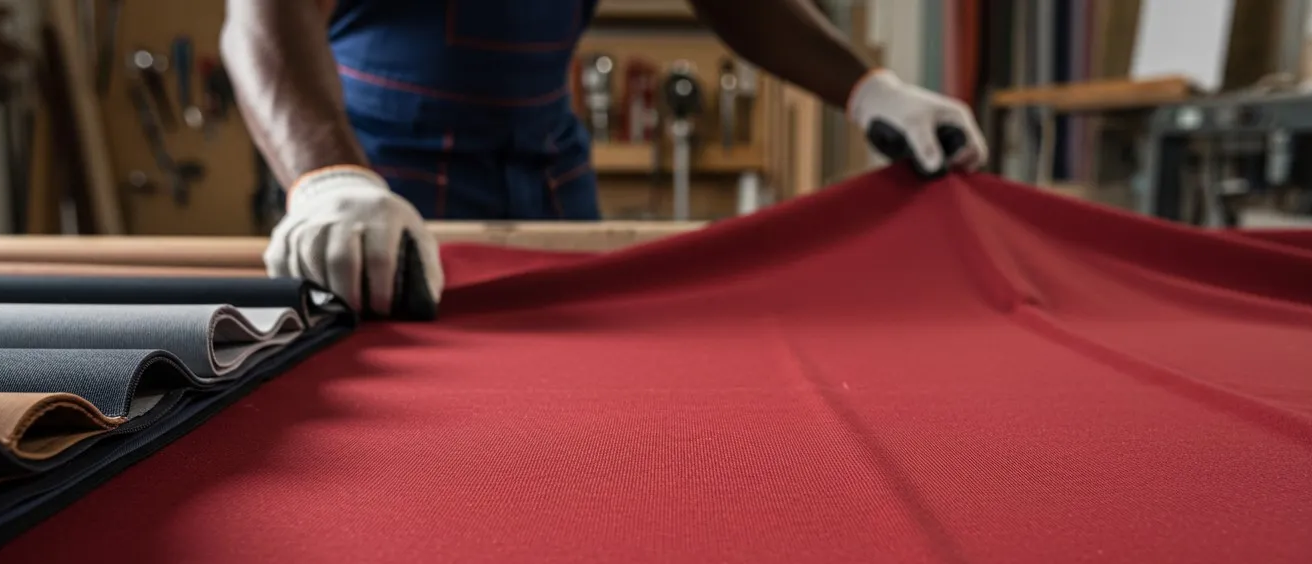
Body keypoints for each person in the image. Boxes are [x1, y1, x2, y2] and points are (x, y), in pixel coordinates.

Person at [221, 0, 988, 316]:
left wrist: (870, 91)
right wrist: (327, 177)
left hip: (551, 185)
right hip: (383, 195)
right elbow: (259, 15)